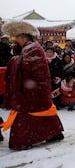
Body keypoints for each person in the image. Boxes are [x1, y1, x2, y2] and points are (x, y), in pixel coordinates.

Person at [0, 21, 64, 150]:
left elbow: (27, 66)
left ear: (23, 37)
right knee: (41, 113)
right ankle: (53, 133)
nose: (16, 41)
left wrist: (14, 60)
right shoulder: (28, 48)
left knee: (27, 115)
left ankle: (23, 141)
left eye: (17, 38)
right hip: (32, 88)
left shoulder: (33, 48)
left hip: (34, 88)